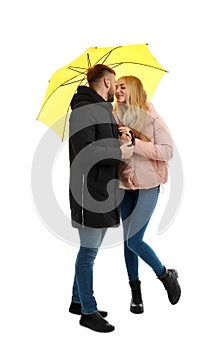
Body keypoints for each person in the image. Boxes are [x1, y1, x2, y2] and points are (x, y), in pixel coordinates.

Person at [68, 65, 133, 332]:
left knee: (90, 250)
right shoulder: (85, 110)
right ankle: (88, 310)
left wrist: (119, 136)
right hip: (88, 193)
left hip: (102, 191)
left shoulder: (100, 109)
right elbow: (86, 151)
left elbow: (98, 141)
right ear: (107, 81)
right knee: (88, 253)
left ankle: (76, 301)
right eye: (114, 83)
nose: (115, 87)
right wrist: (120, 152)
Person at [114, 75, 181, 314]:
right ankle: (136, 293)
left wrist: (135, 142)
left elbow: (167, 151)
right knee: (127, 241)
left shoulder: (151, 116)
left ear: (133, 89)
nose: (117, 90)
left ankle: (165, 275)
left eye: (122, 86)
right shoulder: (113, 118)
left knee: (134, 240)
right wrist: (124, 169)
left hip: (150, 185)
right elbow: (117, 156)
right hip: (126, 186)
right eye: (116, 86)